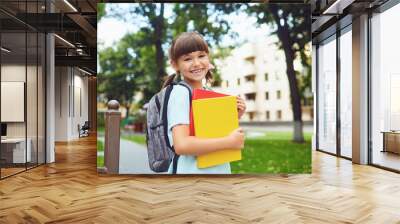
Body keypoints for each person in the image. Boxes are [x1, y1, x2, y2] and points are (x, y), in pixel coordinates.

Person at [163, 32, 246, 174]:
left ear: (208, 57)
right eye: (188, 59)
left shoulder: (207, 91)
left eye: (201, 56)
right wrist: (229, 142)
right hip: (192, 175)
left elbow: (208, 131)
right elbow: (182, 145)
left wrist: (235, 116)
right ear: (175, 65)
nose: (196, 63)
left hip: (216, 169)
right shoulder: (180, 93)